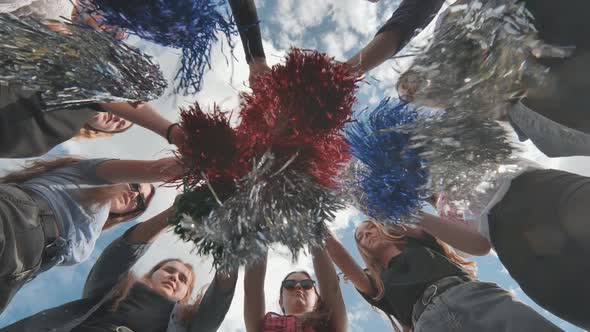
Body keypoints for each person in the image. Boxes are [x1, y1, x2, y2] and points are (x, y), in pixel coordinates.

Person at [351, 0, 590, 158]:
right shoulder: (450, 24)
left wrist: (346, 71)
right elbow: (407, 18)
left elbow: (406, 20)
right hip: (547, 107)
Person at [1, 198, 237, 332]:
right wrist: (175, 213)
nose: (175, 277)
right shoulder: (112, 293)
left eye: (183, 279)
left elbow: (220, 297)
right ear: (150, 275)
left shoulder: (190, 324)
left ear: (186, 294)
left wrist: (229, 238)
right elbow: (119, 256)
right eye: (169, 270)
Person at [416, 163, 590, 329]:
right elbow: (479, 247)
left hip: (542, 188)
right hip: (514, 240)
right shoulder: (443, 208)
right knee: (574, 300)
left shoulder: (458, 149)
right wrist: (417, 216)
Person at [0, 156, 182, 313]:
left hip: (19, 269)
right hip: (16, 215)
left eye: (140, 201)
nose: (134, 195)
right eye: (134, 184)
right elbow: (159, 168)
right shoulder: (90, 174)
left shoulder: (90, 239)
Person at [325, 221, 561, 331]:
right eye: (360, 237)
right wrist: (316, 216)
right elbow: (340, 257)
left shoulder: (423, 243)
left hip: (474, 297)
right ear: (362, 249)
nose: (367, 234)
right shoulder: (375, 283)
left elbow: (414, 220)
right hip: (427, 323)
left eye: (370, 227)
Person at [243, 248, 347, 332]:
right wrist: (260, 236)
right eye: (290, 285)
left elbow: (332, 287)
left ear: (317, 298)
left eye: (306, 285)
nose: (298, 286)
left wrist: (315, 233)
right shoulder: (262, 325)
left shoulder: (330, 323)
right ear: (281, 302)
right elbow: (252, 291)